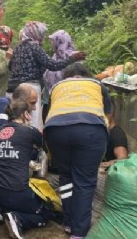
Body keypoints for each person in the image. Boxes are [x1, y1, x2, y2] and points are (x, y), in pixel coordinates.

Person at [44, 63, 111, 239]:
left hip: (56, 130)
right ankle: (79, 232)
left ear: (67, 76)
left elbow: (49, 112)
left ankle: (68, 221)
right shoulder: (97, 84)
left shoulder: (57, 86)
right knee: (85, 181)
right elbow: (108, 116)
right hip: (90, 130)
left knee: (66, 177)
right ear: (86, 74)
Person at [0, 99, 53, 239]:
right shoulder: (30, 131)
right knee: (46, 213)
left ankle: (1, 209)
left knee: (9, 188)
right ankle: (17, 218)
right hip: (15, 191)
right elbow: (44, 146)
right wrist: (30, 125)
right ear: (25, 114)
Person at [8, 21, 85, 131]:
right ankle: (34, 145)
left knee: (18, 119)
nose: (43, 38)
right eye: (42, 35)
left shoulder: (19, 48)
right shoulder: (34, 47)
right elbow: (52, 65)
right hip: (30, 88)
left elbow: (10, 67)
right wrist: (72, 58)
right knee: (33, 121)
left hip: (14, 89)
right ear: (36, 34)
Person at [42, 30, 76, 120]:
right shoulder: (55, 56)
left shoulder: (73, 57)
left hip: (66, 100)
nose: (51, 44)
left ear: (60, 41)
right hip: (49, 99)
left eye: (53, 41)